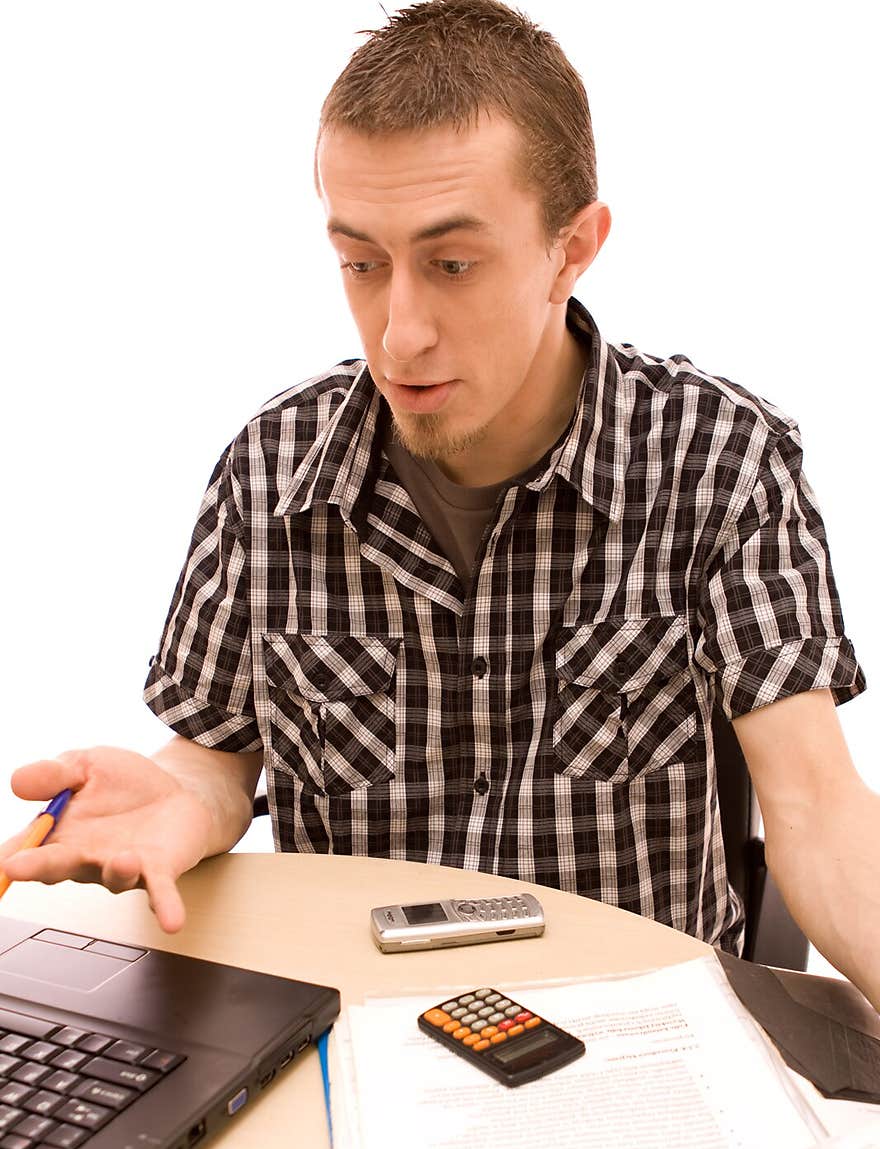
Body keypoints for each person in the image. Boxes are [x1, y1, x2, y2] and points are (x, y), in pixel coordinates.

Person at [2, 0, 878, 1010]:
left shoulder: (720, 457)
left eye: (452, 264)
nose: (400, 333)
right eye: (362, 263)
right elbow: (215, 760)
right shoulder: (268, 468)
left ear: (572, 247)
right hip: (362, 1040)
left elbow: (816, 810)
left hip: (643, 1047)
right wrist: (185, 801)